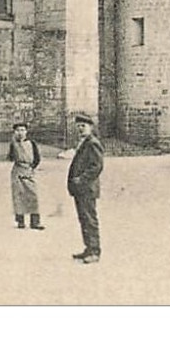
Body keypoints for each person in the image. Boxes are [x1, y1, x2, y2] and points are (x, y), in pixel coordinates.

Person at [66, 113, 104, 263]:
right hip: (80, 188)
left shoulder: (93, 143)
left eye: (84, 126)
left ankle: (94, 251)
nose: (81, 129)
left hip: (87, 188)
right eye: (79, 126)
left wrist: (81, 179)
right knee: (84, 219)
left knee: (89, 219)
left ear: (91, 127)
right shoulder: (84, 142)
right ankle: (88, 248)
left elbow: (97, 166)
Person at [8, 122, 43, 229]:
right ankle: (20, 221)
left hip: (29, 170)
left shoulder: (32, 143)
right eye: (18, 130)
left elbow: (37, 158)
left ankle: (35, 221)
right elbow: (10, 157)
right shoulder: (13, 144)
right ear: (14, 132)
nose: (20, 133)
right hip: (18, 171)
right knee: (19, 196)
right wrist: (16, 145)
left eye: (22, 130)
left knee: (33, 195)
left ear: (26, 132)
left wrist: (32, 167)